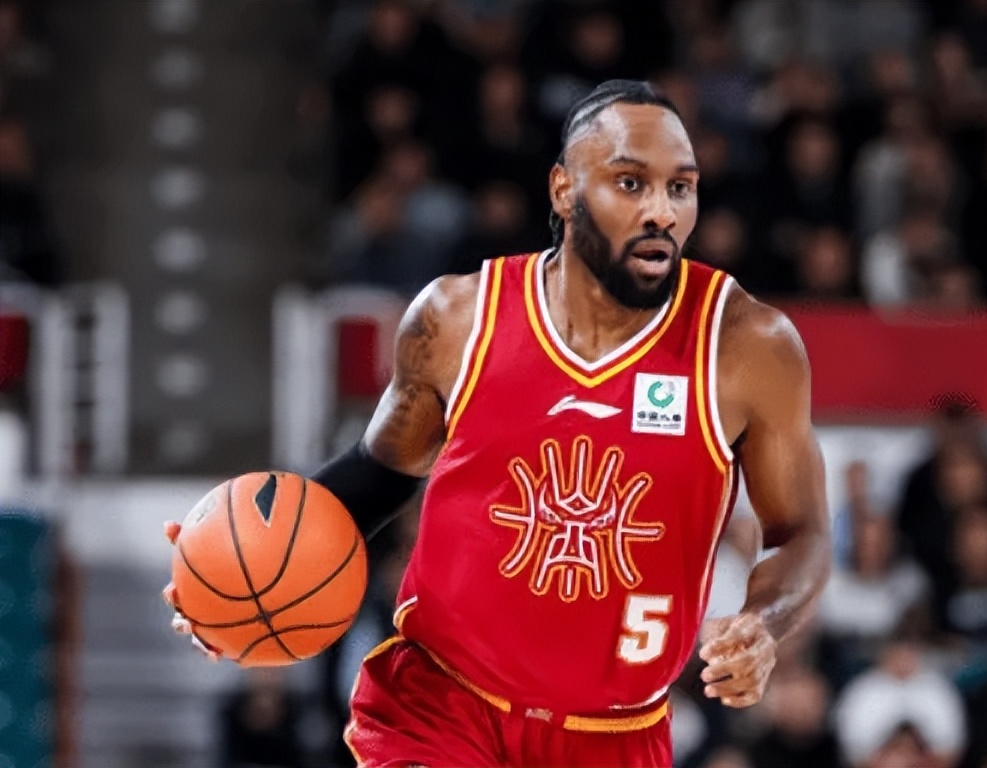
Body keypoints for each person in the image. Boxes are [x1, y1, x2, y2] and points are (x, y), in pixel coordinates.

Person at [165, 79, 830, 767]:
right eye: (630, 183)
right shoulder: (457, 319)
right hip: (441, 705)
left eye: (681, 188)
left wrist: (764, 624)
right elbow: (379, 474)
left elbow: (801, 532)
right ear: (564, 190)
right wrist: (237, 569)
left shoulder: (748, 347)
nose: (662, 210)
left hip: (615, 733)